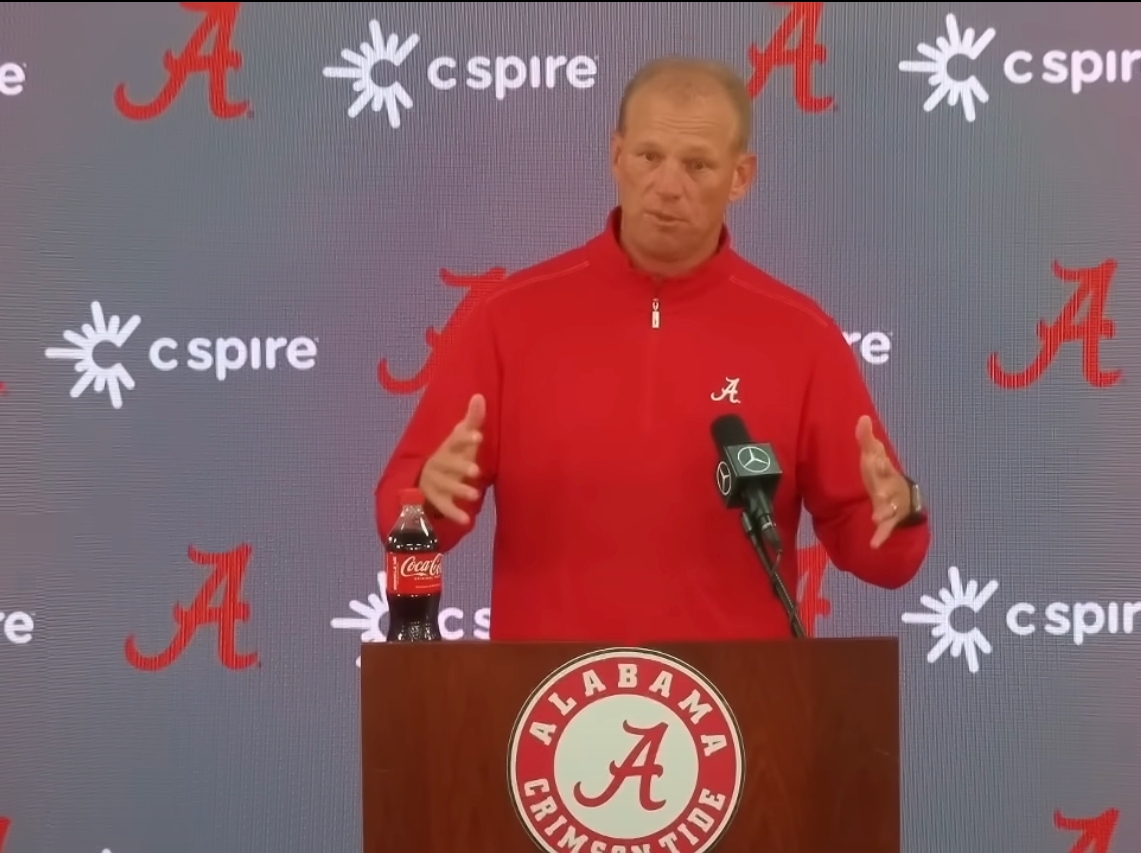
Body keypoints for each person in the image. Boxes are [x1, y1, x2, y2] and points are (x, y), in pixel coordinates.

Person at [374, 56, 929, 642]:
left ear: (740, 177)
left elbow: (886, 558)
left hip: (735, 710)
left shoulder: (802, 336)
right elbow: (402, 509)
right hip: (553, 705)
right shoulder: (507, 318)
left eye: (697, 165)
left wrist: (898, 515)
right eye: (649, 157)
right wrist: (425, 502)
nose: (668, 186)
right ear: (616, 157)